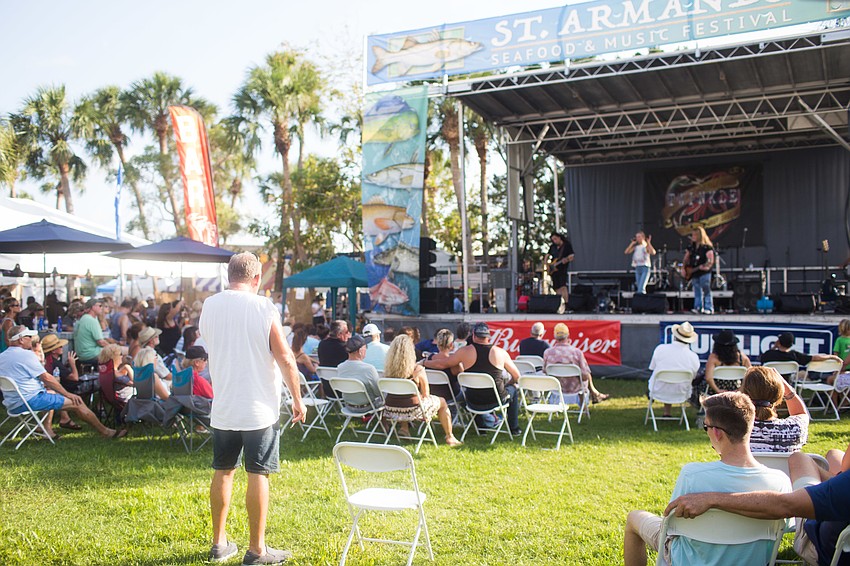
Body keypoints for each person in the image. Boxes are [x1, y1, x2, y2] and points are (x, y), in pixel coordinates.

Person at [200, 252, 305, 565]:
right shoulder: (263, 306)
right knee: (258, 472)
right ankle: (257, 550)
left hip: (224, 404)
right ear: (257, 278)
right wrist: (297, 398)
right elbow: (285, 357)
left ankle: (219, 544)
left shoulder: (209, 305)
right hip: (259, 406)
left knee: (223, 471)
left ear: (228, 275)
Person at [623, 392, 791, 566]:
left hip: (689, 560)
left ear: (717, 433)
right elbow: (786, 528)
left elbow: (671, 526)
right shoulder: (779, 481)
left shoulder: (692, 475)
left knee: (634, 518)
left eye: (706, 427)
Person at [665, 445, 850, 566]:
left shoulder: (691, 473)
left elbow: (784, 505)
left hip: (822, 547)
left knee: (800, 459)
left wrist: (713, 499)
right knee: (834, 455)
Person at [0, 325, 126, 440]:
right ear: (21, 340)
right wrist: (68, 394)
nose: (31, 339)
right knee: (77, 402)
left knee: (51, 392)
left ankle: (48, 430)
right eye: (28, 336)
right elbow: (47, 378)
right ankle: (105, 432)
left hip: (12, 403)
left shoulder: (2, 356)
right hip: (29, 400)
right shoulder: (26, 355)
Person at [425, 322, 522, 436]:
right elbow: (517, 376)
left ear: (474, 336)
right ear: (488, 337)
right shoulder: (500, 352)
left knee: (471, 390)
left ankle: (481, 427)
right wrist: (508, 384)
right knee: (513, 389)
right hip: (496, 399)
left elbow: (443, 364)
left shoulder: (464, 352)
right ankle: (514, 428)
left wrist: (425, 362)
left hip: (472, 401)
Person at [382, 335, 461, 446]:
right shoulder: (417, 369)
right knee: (442, 402)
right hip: (413, 409)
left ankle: (404, 428)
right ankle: (449, 436)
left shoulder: (388, 371)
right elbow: (426, 394)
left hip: (391, 408)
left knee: (402, 397)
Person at [741, 366, 809, 453]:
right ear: (779, 393)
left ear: (744, 393)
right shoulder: (793, 429)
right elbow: (800, 413)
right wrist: (786, 388)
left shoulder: (732, 431)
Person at [543, 323, 609, 403]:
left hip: (556, 389)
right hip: (575, 390)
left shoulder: (547, 353)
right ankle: (590, 398)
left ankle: (594, 394)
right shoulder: (577, 353)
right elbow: (584, 377)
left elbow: (545, 372)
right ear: (568, 336)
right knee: (586, 373)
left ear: (555, 336)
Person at [647, 321, 700, 418]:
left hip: (658, 390)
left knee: (664, 379)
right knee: (673, 381)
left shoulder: (660, 349)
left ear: (675, 336)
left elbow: (652, 368)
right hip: (682, 392)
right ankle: (667, 413)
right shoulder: (693, 357)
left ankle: (666, 412)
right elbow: (693, 377)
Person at [760, 332, 843, 384]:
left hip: (771, 382)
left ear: (779, 342)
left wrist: (774, 347)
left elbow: (761, 359)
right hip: (787, 384)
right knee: (803, 373)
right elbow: (816, 358)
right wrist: (831, 356)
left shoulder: (768, 354)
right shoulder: (794, 355)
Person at [336, 334, 383, 407]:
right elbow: (378, 392)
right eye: (366, 347)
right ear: (360, 351)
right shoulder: (369, 369)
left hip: (349, 406)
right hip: (367, 406)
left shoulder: (340, 367)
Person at [704, 329, 751, 395]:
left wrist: (718, 391)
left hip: (715, 393)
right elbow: (750, 376)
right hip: (736, 390)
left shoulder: (713, 358)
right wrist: (740, 390)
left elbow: (708, 378)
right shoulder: (743, 358)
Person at [682, 225, 715, 314]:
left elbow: (710, 260)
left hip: (704, 272)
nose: (693, 237)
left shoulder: (707, 247)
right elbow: (686, 258)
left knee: (706, 288)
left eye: (694, 235)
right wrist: (684, 268)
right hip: (694, 271)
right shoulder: (691, 247)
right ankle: (698, 307)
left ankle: (708, 307)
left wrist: (707, 266)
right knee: (697, 289)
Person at [133, 327, 172, 400]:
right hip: (158, 402)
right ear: (151, 340)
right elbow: (167, 376)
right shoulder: (152, 354)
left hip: (144, 402)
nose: (158, 337)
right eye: (156, 336)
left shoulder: (139, 354)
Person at [73, 298, 112, 368]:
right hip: (91, 354)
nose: (101, 308)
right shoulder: (91, 320)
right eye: (100, 306)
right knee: (119, 355)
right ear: (93, 307)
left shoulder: (83, 318)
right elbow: (101, 342)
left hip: (82, 354)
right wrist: (113, 348)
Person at [547, 231, 574, 307]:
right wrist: (546, 265)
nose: (554, 241)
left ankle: (566, 304)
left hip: (562, 269)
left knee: (563, 286)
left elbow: (571, 257)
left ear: (559, 237)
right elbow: (547, 255)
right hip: (553, 270)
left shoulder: (567, 245)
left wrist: (567, 260)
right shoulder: (553, 247)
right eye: (553, 240)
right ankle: (559, 303)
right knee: (556, 287)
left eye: (555, 239)